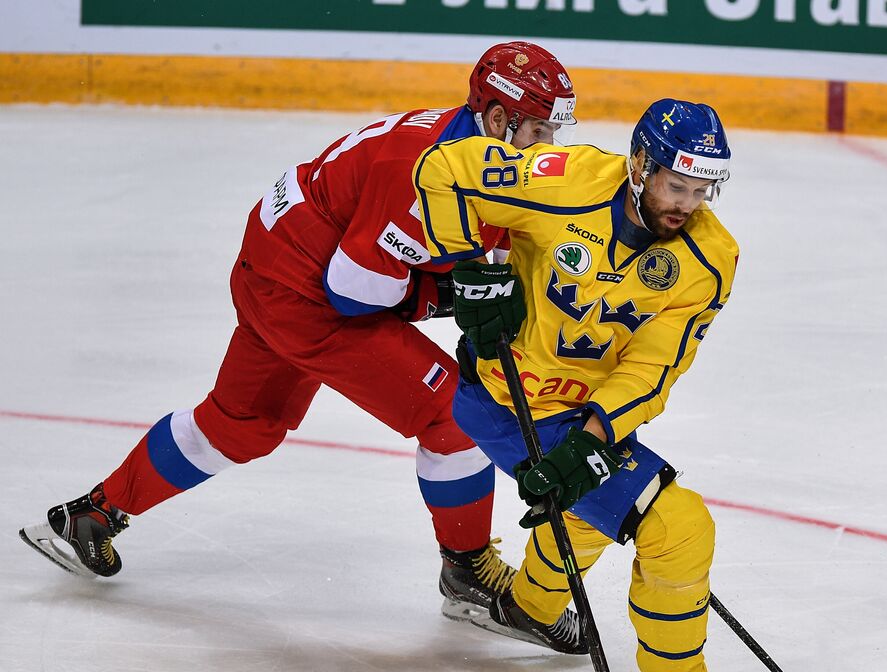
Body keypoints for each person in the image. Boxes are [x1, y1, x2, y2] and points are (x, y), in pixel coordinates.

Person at [20, 41, 579, 628]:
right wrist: (449, 296)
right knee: (457, 417)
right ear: (497, 119)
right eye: (539, 129)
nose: (549, 146)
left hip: (275, 267)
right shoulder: (424, 178)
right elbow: (355, 293)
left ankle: (93, 515)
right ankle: (467, 575)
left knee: (242, 424)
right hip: (310, 295)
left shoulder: (466, 147)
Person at [412, 99, 770, 672]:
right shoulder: (565, 180)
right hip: (502, 396)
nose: (686, 203)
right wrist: (468, 268)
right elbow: (446, 168)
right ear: (640, 164)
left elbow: (652, 368)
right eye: (675, 185)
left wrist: (594, 440)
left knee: (587, 498)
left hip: (580, 413)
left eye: (700, 190)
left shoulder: (709, 259)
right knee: (679, 527)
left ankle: (531, 606)